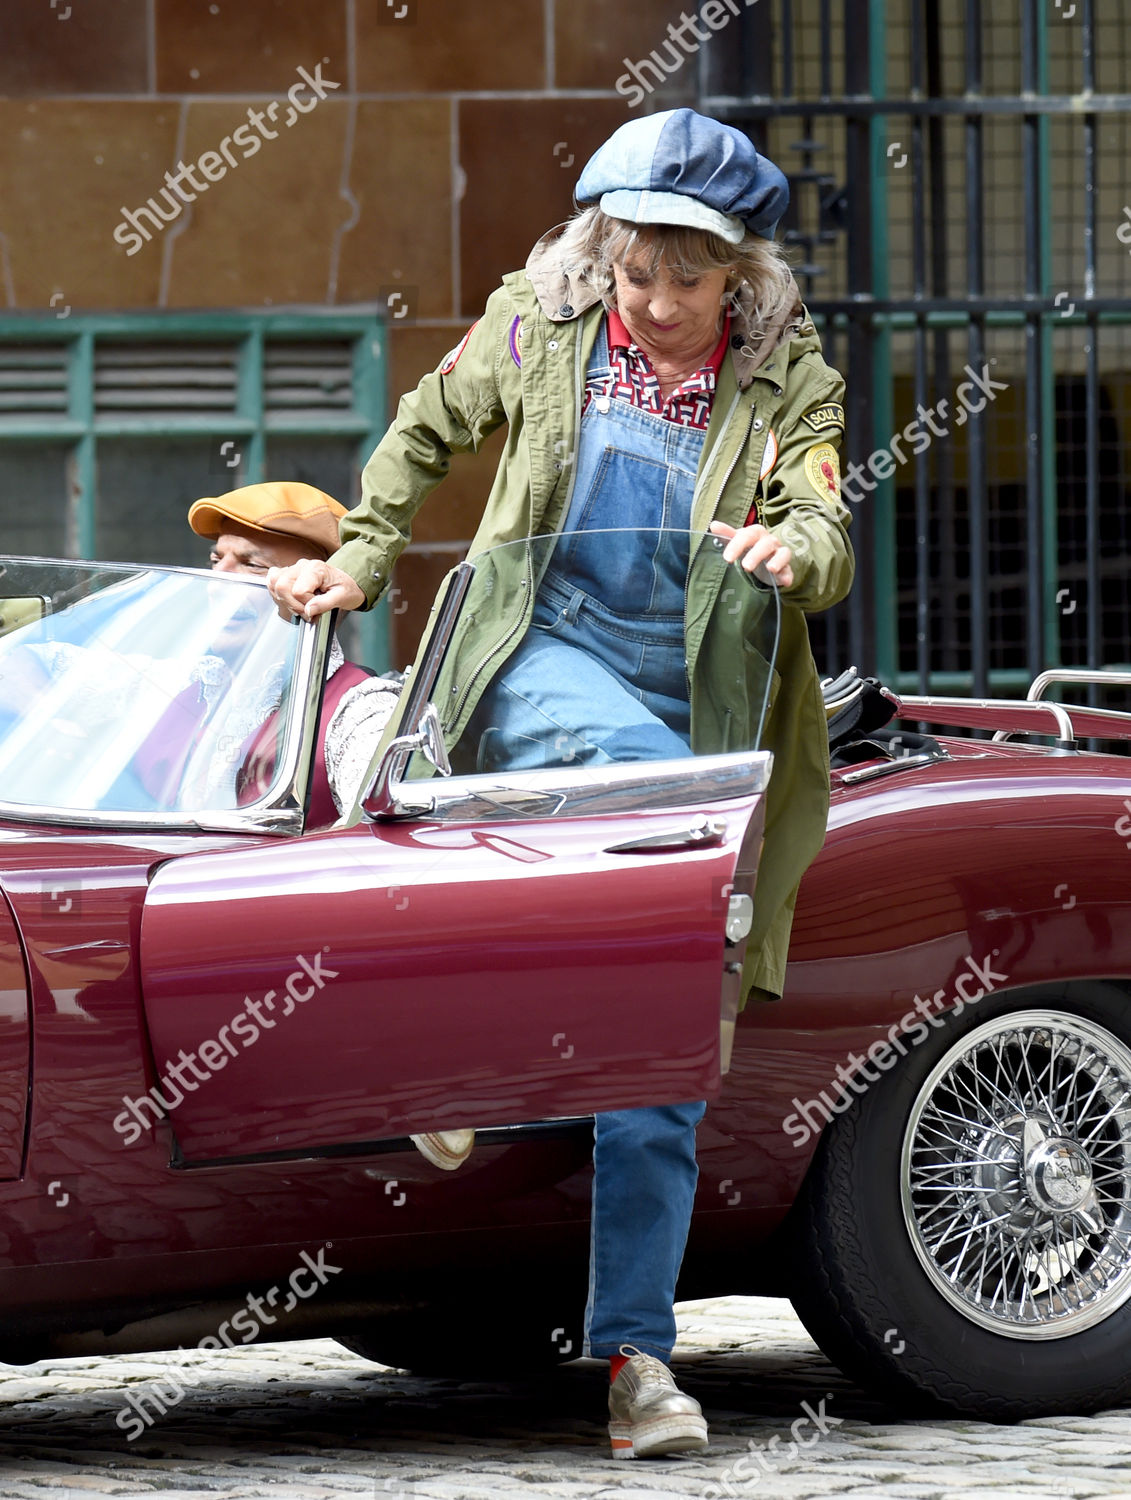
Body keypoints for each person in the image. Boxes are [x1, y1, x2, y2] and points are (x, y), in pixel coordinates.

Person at [267, 108, 854, 1459]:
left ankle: (636, 1360)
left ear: (736, 275)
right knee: (667, 890)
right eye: (633, 269)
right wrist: (359, 557)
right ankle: (481, 1064)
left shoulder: (787, 370)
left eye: (684, 279)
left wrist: (788, 553)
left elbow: (824, 520)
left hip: (697, 699)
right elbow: (422, 432)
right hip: (542, 663)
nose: (651, 302)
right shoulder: (540, 322)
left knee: (655, 1038)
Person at [187, 481, 402, 826]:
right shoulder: (185, 681)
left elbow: (378, 845)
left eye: (252, 564)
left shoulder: (363, 711)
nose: (217, 581)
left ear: (320, 590)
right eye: (216, 559)